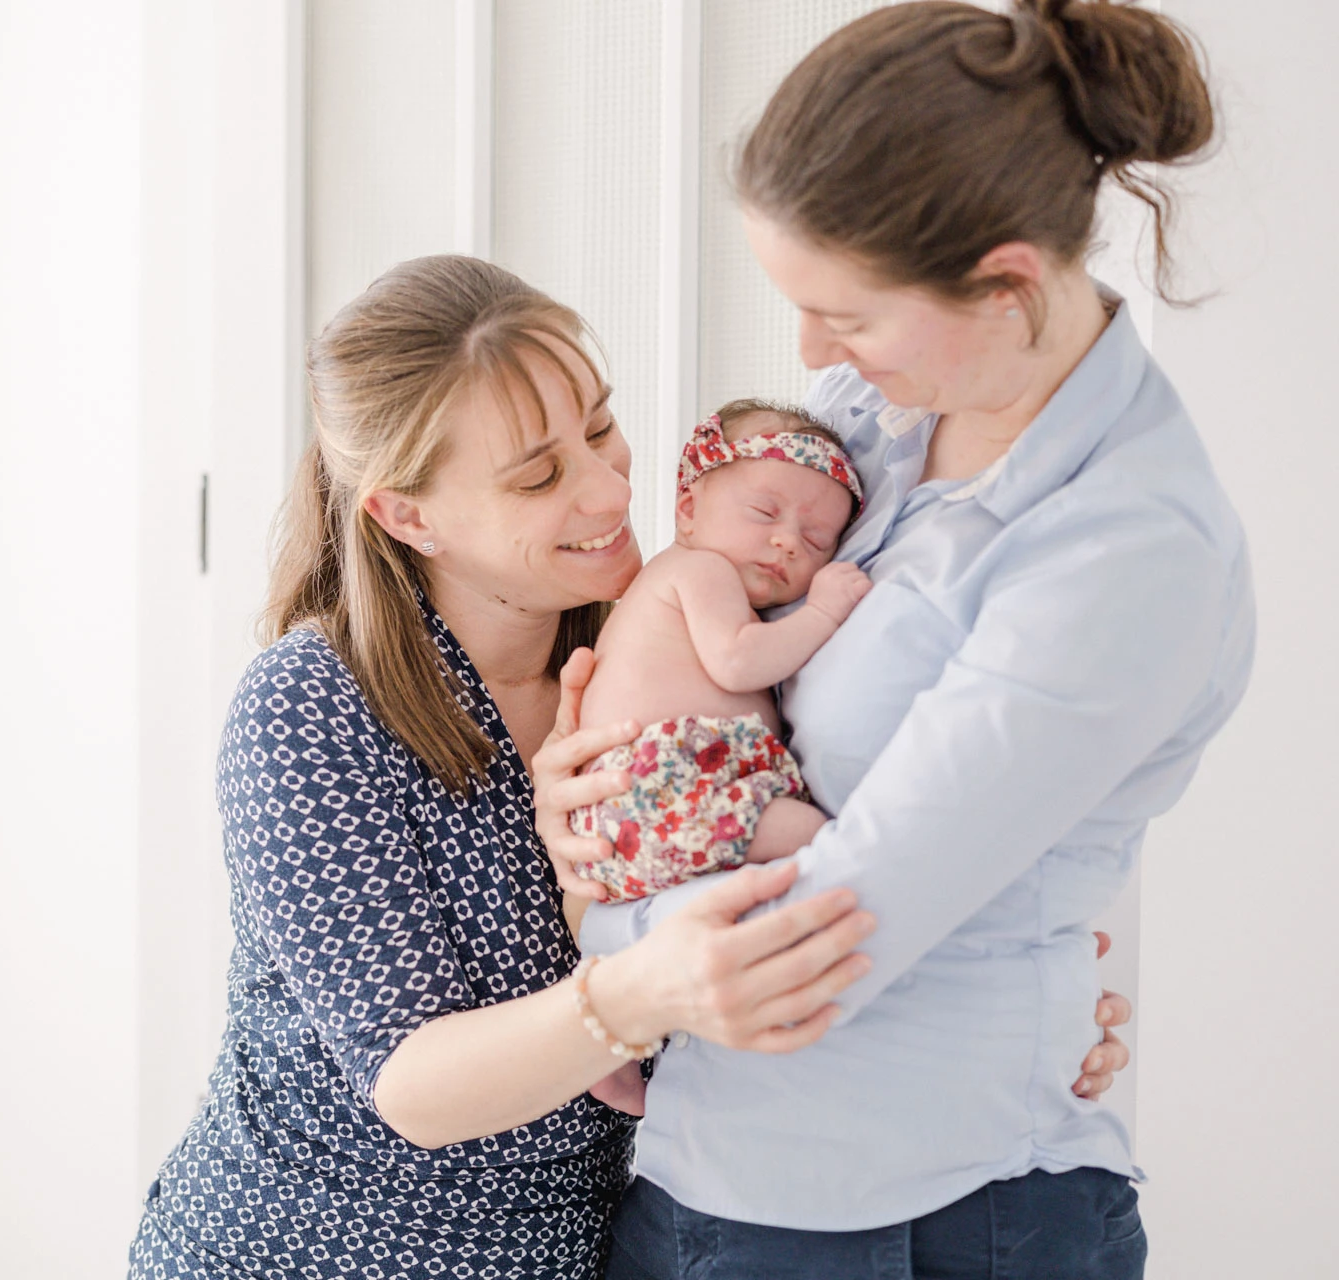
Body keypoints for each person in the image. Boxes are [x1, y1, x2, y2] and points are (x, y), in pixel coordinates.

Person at [128, 254, 1131, 1280]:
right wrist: (635, 992)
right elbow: (414, 1083)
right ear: (409, 515)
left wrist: (1013, 998)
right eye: (538, 475)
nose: (610, 486)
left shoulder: (669, 638)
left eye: (602, 426)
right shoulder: (315, 705)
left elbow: (828, 854)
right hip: (299, 1250)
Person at [538, 2, 1250, 1276]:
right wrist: (585, 796)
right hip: (717, 1167)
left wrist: (600, 911)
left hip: (923, 1212)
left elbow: (829, 944)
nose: (812, 354)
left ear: (1008, 281)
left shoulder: (1128, 549)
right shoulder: (878, 407)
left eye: (847, 315)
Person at [569, 400, 870, 904]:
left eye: (817, 540)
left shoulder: (703, 583)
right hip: (655, 794)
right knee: (808, 833)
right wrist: (822, 613)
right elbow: (739, 662)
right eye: (763, 513)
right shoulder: (699, 570)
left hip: (643, 812)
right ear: (688, 509)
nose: (788, 542)